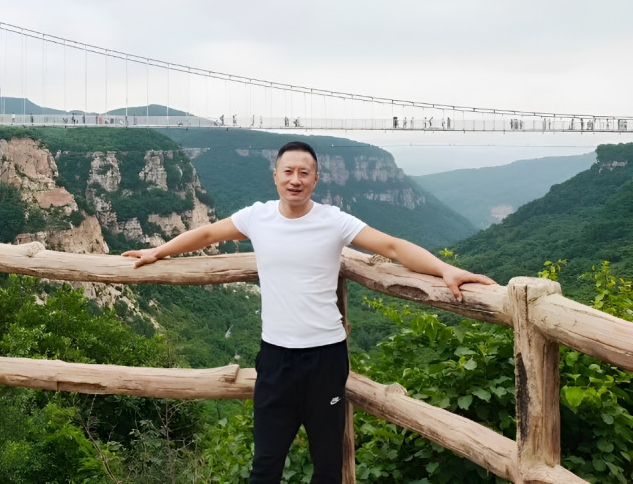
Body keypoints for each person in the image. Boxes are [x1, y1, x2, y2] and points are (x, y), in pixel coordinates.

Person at [123, 141, 495, 483]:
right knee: (265, 466)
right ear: (275, 176)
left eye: (304, 173)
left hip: (325, 358)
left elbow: (392, 247)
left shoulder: (334, 220)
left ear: (316, 179)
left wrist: (444, 269)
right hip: (276, 358)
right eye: (288, 171)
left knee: (328, 466)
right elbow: (206, 234)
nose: (295, 180)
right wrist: (158, 251)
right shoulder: (257, 217)